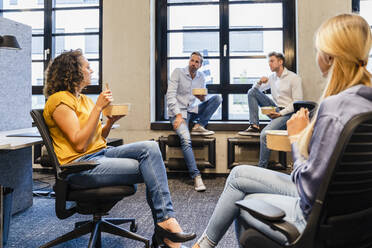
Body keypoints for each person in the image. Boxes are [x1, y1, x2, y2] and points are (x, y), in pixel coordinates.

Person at [192, 13, 372, 248]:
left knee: (243, 195)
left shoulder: (334, 108)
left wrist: (297, 138)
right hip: (356, 222)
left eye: (317, 50)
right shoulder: (364, 101)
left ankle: (204, 245)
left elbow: (308, 191)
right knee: (240, 178)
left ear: (328, 56)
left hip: (314, 219)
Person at [42, 49, 195, 248]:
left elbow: (96, 140)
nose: (91, 70)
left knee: (150, 149)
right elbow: (79, 145)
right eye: (87, 67)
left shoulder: (83, 100)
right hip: (79, 167)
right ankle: (166, 229)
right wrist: (98, 108)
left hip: (98, 154)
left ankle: (165, 223)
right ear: (73, 71)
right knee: (151, 168)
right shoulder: (60, 100)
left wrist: (108, 123)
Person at [167, 51, 222, 192]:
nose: (194, 63)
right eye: (192, 60)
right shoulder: (178, 72)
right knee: (186, 139)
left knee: (217, 98)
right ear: (189, 61)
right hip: (178, 113)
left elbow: (202, 99)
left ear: (200, 65)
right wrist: (178, 116)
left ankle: (199, 125)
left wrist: (202, 98)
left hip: (193, 111)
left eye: (197, 62)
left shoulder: (201, 76)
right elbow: (170, 96)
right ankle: (196, 176)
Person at [238, 52, 303, 169]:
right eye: (268, 61)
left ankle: (261, 169)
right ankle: (254, 126)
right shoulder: (272, 78)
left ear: (280, 62)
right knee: (251, 92)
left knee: (264, 135)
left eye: (272, 61)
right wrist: (259, 82)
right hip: (275, 109)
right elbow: (255, 91)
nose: (269, 64)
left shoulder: (294, 78)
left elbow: (297, 103)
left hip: (288, 113)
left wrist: (280, 113)